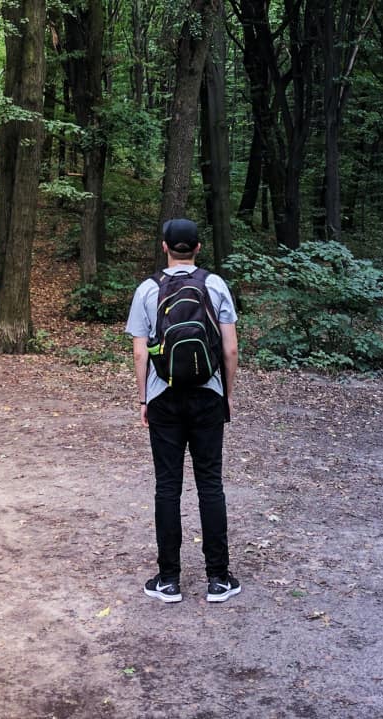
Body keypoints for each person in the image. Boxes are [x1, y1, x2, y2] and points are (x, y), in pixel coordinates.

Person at [125, 218, 241, 604]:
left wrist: (144, 399)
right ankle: (219, 579)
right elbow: (230, 350)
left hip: (164, 397)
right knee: (210, 484)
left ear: (164, 247)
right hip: (208, 395)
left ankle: (169, 580)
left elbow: (141, 351)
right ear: (197, 247)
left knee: (167, 486)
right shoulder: (215, 284)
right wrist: (226, 394)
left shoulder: (147, 289)